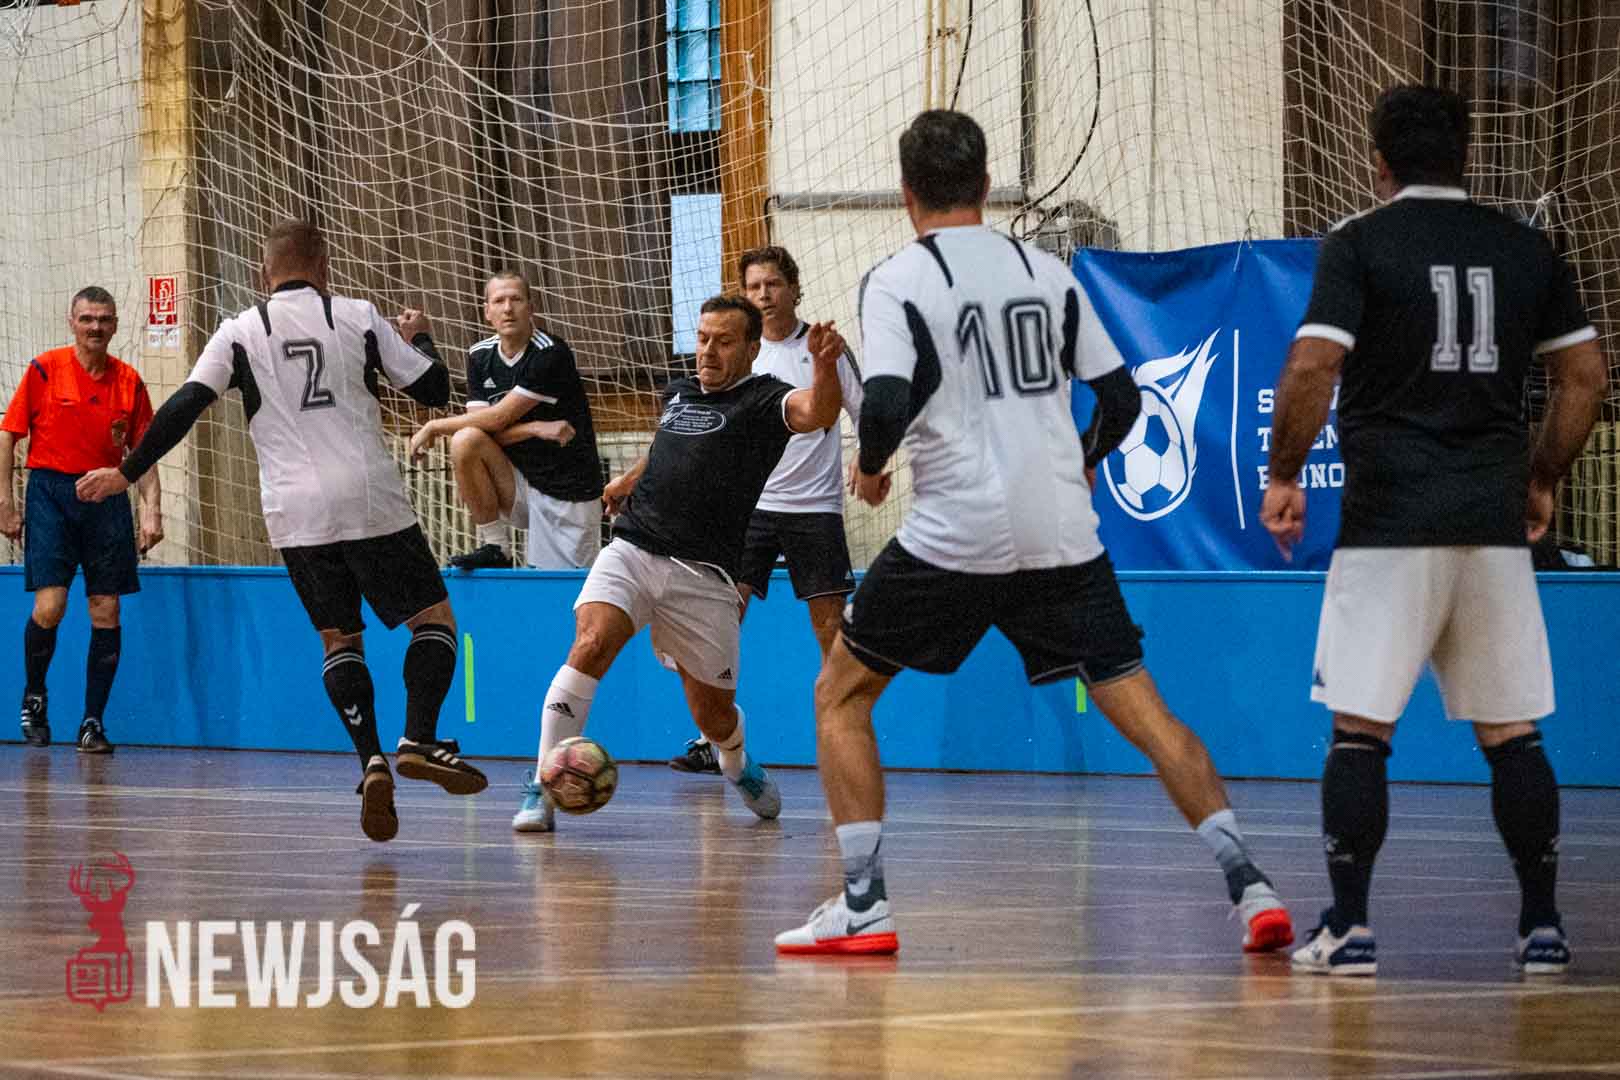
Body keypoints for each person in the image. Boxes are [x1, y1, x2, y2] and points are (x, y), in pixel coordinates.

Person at [775, 110, 1294, 957]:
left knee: (840, 694)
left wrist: (869, 466)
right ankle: (1251, 884)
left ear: (905, 194)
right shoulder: (1047, 272)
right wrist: (1085, 460)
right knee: (1147, 712)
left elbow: (890, 399)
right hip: (1062, 535)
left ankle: (864, 904)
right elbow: (1122, 399)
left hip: (954, 533)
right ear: (985, 185)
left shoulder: (899, 277)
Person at [1261, 85, 1608, 976]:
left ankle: (1349, 928)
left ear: (1377, 161)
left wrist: (1285, 473)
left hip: (1389, 524)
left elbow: (1313, 363)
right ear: (1467, 154)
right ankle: (1542, 927)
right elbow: (1585, 378)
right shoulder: (1525, 247)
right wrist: (1541, 477)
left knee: (1360, 731)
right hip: (1492, 526)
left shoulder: (1359, 243)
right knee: (1512, 731)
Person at [77, 219, 488, 842]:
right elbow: (434, 390)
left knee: (338, 639)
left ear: (261, 273)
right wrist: (420, 338)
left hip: (295, 514)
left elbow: (184, 405)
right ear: (323, 266)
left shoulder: (239, 331)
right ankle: (420, 738)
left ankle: (372, 761)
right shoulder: (357, 315)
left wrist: (126, 473)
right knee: (432, 620)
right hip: (369, 499)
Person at [511, 294, 844, 833]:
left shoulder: (765, 399)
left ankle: (734, 760)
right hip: (633, 548)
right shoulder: (679, 393)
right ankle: (542, 786)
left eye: (724, 341)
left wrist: (825, 367)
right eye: (703, 338)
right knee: (590, 643)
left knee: (713, 715)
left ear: (752, 348)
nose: (708, 351)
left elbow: (819, 412)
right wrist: (628, 480)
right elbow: (667, 446)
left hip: (706, 576)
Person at [667, 246, 864, 775]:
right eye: (754, 287)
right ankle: (712, 738)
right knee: (721, 615)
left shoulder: (823, 348)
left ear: (794, 289)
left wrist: (867, 458)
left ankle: (843, 735)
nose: (764, 294)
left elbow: (863, 408)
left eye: (773, 284)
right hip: (750, 506)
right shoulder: (743, 356)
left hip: (814, 507)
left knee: (829, 625)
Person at [0, 287, 162, 754]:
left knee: (106, 609)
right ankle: (35, 696)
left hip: (107, 497)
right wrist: (5, 502)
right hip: (51, 494)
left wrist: (151, 508)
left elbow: (144, 452)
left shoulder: (129, 382)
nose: (96, 327)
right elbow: (8, 437)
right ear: (72, 322)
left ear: (115, 326)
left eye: (104, 319)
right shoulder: (44, 370)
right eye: (87, 318)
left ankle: (92, 723)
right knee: (51, 606)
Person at [409, 271, 603, 570]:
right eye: (499, 301)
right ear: (487, 311)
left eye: (516, 299)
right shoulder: (479, 355)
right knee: (466, 439)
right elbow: (481, 428)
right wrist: (534, 428)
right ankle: (496, 546)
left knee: (562, 592)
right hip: (515, 483)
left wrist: (434, 426)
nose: (508, 308)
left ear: (531, 308)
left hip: (567, 490)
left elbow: (498, 418)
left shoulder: (550, 353)